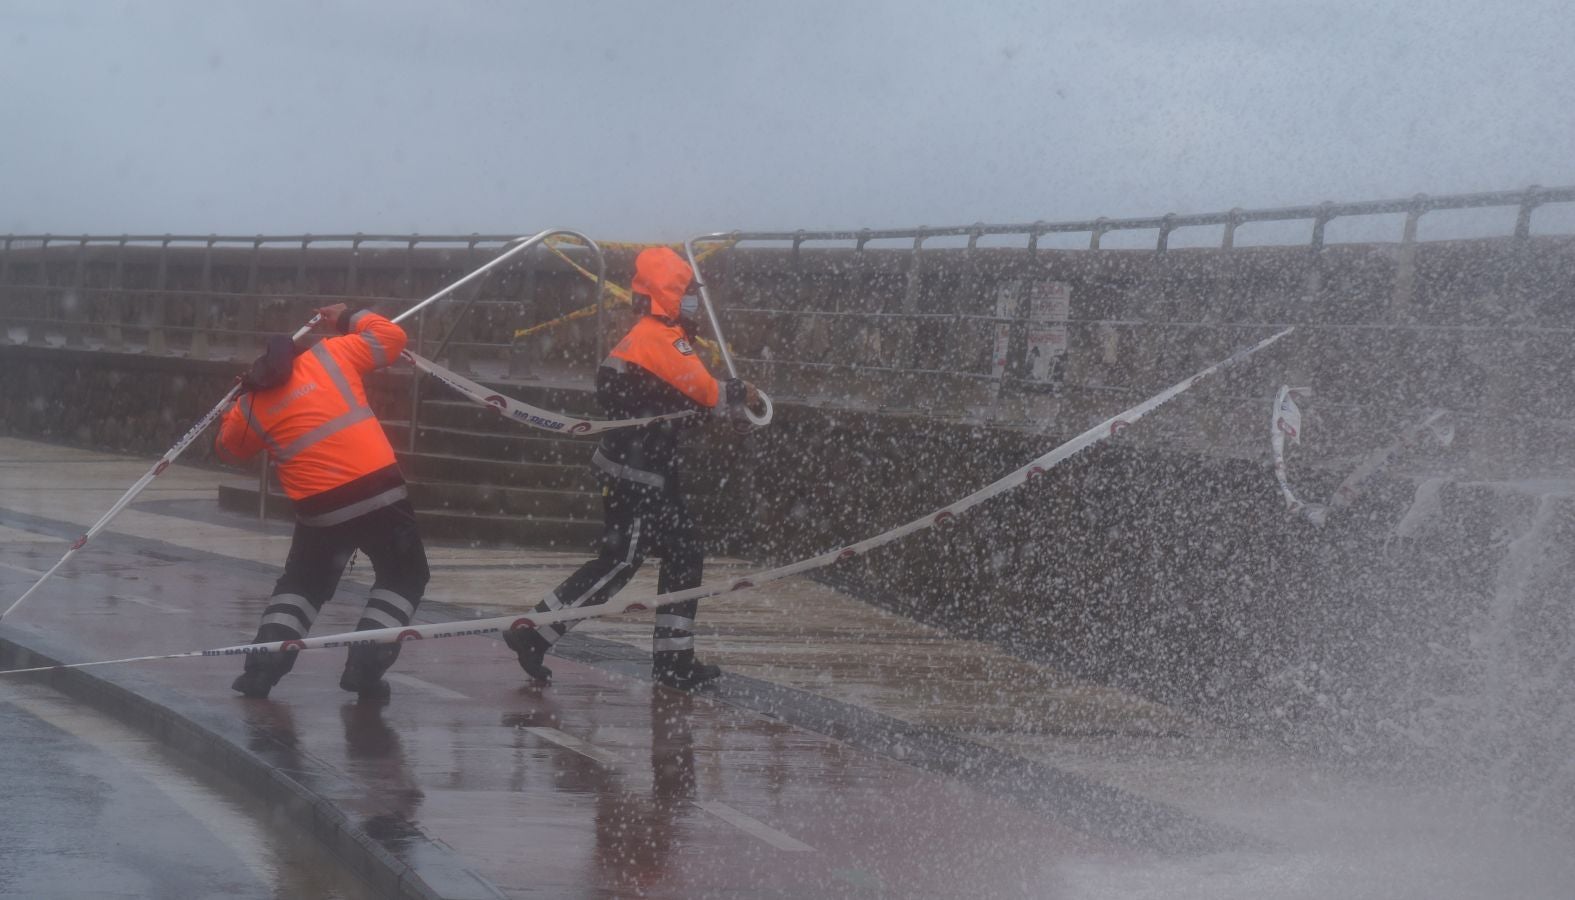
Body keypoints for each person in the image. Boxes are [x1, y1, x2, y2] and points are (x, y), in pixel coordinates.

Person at [504, 247, 757, 690]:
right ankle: (535, 632)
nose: (695, 303)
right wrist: (743, 394)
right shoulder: (664, 339)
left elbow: (668, 401)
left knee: (684, 553)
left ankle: (674, 661)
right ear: (669, 296)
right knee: (620, 560)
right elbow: (707, 393)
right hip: (638, 474)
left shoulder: (646, 336)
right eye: (688, 294)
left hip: (640, 466)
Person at [216, 302, 429, 701]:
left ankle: (262, 670)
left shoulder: (252, 405)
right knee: (403, 575)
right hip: (377, 489)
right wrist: (348, 315)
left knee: (303, 584)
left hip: (319, 507)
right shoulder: (331, 354)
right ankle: (365, 666)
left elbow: (230, 450)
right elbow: (392, 338)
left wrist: (234, 405)